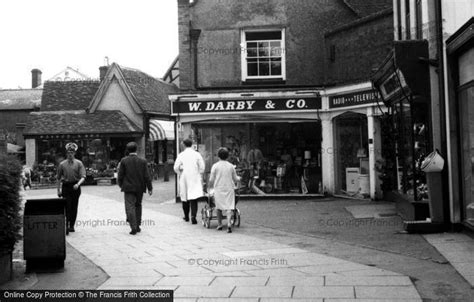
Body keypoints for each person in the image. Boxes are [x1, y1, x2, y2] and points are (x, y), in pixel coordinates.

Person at [118, 142, 153, 235]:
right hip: (140, 187)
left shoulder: (124, 161)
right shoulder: (143, 161)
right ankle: (137, 225)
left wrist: (121, 185)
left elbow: (120, 175)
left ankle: (133, 226)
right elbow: (147, 176)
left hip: (128, 187)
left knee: (130, 207)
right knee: (138, 205)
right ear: (136, 149)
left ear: (127, 150)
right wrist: (150, 187)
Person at [208, 147, 240, 233]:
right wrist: (239, 178)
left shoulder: (215, 166)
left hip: (218, 188)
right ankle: (229, 224)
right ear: (228, 156)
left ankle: (220, 224)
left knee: (218, 207)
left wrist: (209, 186)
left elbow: (211, 179)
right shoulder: (231, 166)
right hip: (229, 188)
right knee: (229, 206)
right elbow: (235, 178)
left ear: (218, 156)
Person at [173, 138, 205, 224]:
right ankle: (193, 216)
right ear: (192, 144)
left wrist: (180, 173)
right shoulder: (197, 154)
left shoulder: (181, 155)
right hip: (194, 177)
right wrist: (199, 173)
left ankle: (186, 216)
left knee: (185, 197)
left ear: (183, 145)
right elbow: (202, 166)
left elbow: (175, 167)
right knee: (193, 197)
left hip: (184, 177)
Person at [57, 142, 86, 234]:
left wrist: (78, 184)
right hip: (66, 186)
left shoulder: (79, 163)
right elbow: (58, 178)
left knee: (74, 206)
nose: (70, 154)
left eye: (72, 153)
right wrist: (58, 190)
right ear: (66, 153)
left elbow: (83, 176)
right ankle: (66, 224)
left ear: (74, 153)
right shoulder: (62, 164)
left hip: (75, 187)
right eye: (69, 153)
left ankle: (72, 225)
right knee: (67, 206)